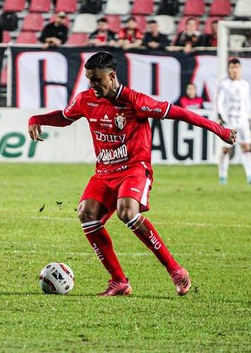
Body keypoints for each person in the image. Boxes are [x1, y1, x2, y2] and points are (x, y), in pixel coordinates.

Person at [27, 51, 236, 297]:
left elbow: (181, 113)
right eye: (89, 80)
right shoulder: (86, 100)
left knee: (127, 211)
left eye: (97, 80)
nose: (92, 85)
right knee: (86, 213)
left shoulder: (135, 101)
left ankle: (176, 271)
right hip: (105, 172)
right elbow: (64, 117)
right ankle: (119, 281)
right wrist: (35, 118)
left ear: (112, 76)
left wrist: (219, 130)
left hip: (135, 169)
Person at [216, 57, 251, 185]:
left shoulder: (245, 84)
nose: (234, 70)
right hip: (229, 120)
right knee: (226, 149)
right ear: (228, 69)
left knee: (246, 147)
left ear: (240, 69)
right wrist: (220, 116)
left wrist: (249, 117)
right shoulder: (224, 84)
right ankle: (223, 177)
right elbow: (219, 102)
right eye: (232, 67)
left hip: (243, 121)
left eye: (236, 67)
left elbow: (247, 102)